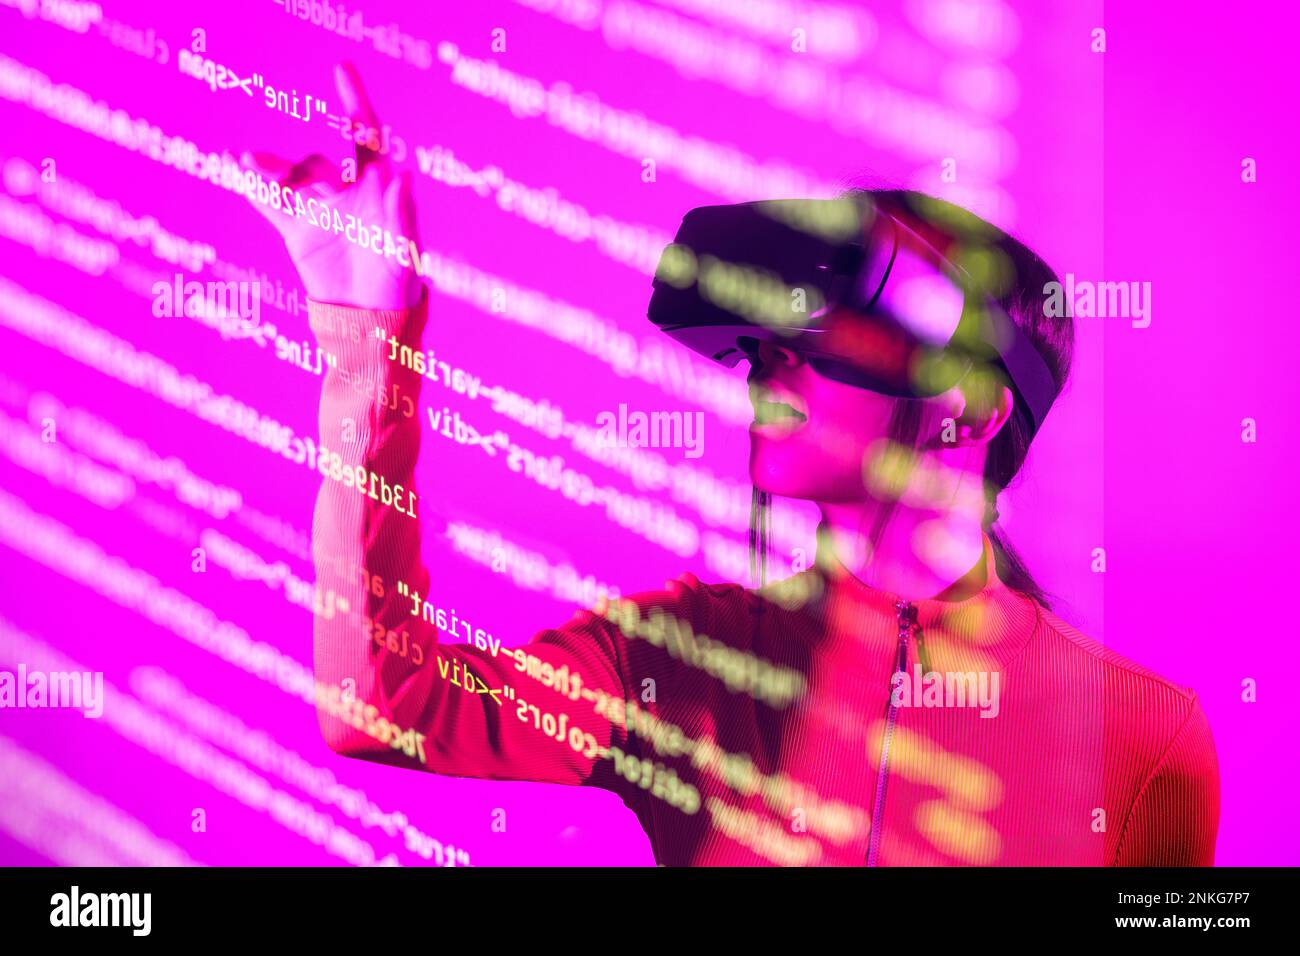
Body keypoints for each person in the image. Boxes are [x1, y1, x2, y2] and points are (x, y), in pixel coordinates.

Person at [242, 64, 1219, 866]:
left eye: (829, 334)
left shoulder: (1140, 739)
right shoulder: (683, 659)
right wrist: (369, 346)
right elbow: (384, 707)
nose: (770, 362)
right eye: (765, 339)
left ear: (965, 405)